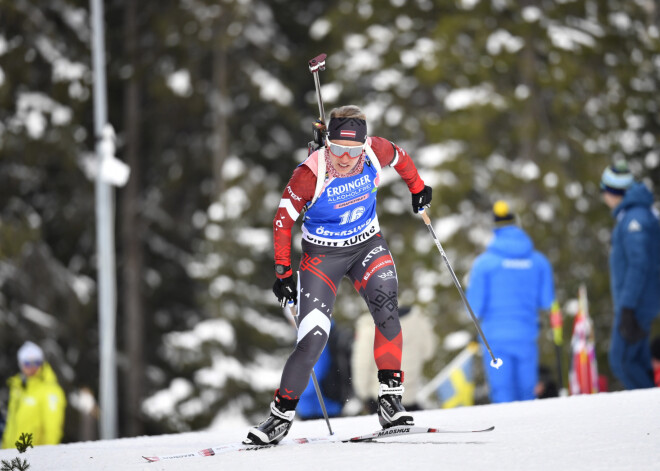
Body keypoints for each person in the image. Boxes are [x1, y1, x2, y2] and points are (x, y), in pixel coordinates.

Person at [246, 105, 432, 445]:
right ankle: (279, 416)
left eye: (353, 151)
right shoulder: (309, 172)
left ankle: (390, 402)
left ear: (364, 145)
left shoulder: (376, 150)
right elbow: (282, 221)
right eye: (337, 150)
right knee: (313, 338)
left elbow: (402, 158)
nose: (345, 158)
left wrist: (418, 189)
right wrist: (283, 272)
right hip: (322, 257)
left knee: (387, 310)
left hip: (367, 246)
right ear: (326, 143)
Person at [465, 201, 555, 403]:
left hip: (495, 339)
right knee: (527, 394)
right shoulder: (539, 261)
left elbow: (473, 309)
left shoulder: (484, 263)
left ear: (495, 227)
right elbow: (548, 301)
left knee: (502, 394)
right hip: (526, 336)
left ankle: (507, 435)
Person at [600, 161, 660, 389]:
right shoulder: (633, 215)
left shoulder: (635, 218)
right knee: (638, 360)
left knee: (622, 360)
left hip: (637, 304)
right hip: (637, 302)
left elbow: (639, 264)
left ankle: (649, 414)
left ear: (612, 191)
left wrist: (627, 307)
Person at [352, 306, 436, 414]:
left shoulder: (369, 326)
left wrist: (363, 394)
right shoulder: (417, 320)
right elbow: (428, 353)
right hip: (410, 395)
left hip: (381, 398)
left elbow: (362, 365)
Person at [1, 341, 66, 448]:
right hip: (12, 457)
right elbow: (11, 425)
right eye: (27, 363)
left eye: (35, 362)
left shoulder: (50, 391)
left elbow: (53, 430)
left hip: (33, 458)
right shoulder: (17, 389)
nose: (31, 367)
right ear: (21, 364)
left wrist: (45, 458)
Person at [295, 321, 353, 420]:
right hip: (331, 401)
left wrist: (294, 395)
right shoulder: (326, 330)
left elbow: (314, 371)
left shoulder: (311, 335)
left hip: (316, 406)